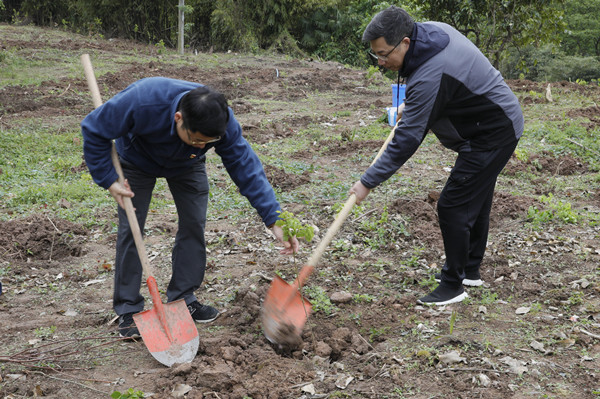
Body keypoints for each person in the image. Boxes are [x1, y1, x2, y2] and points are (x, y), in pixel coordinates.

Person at [81, 77, 299, 337]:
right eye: (196, 138)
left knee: (194, 222)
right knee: (132, 227)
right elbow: (94, 129)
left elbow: (245, 167)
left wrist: (274, 219)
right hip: (136, 161)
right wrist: (108, 180)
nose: (202, 144)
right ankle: (129, 308)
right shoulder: (143, 100)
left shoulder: (222, 122)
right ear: (178, 118)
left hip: (187, 164)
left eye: (208, 142)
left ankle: (183, 298)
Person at [350, 6, 524, 305]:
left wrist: (367, 182)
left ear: (405, 42)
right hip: (491, 122)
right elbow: (444, 86)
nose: (380, 62)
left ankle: (452, 285)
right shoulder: (429, 32)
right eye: (375, 55)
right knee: (475, 197)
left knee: (453, 205)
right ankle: (470, 270)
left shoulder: (432, 70)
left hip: (493, 131)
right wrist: (415, 103)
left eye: (383, 54)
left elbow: (407, 139)